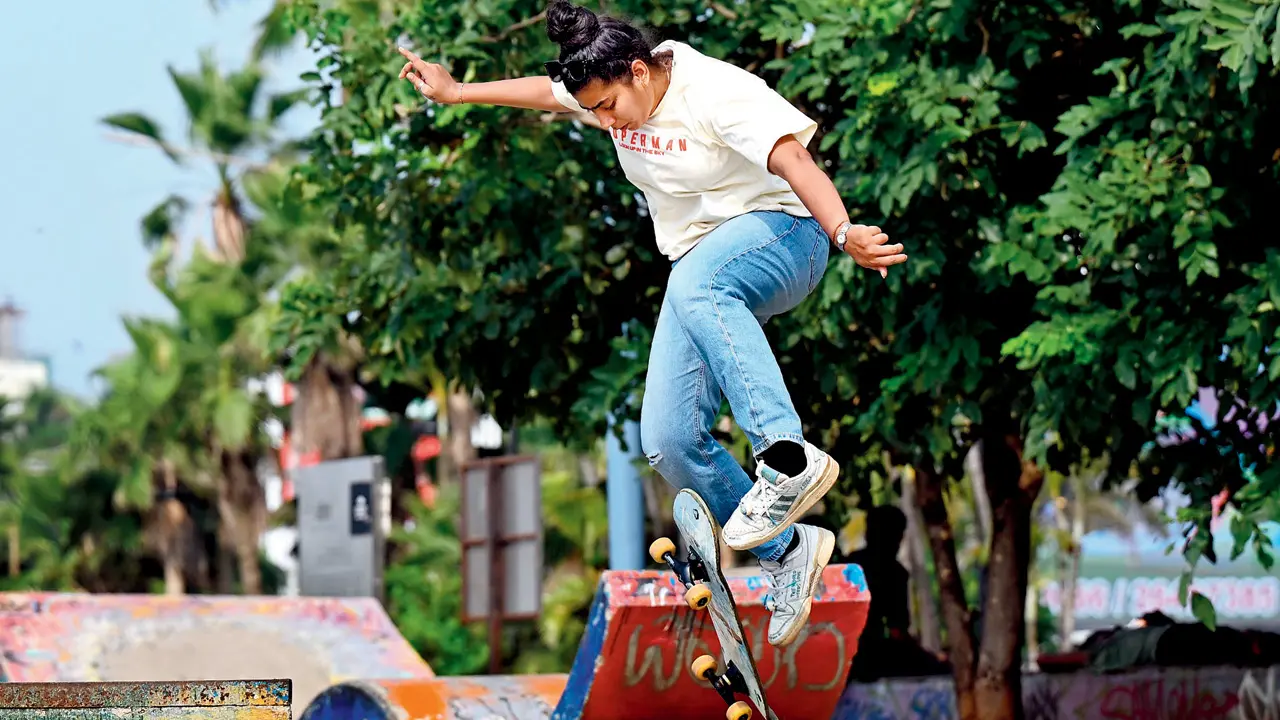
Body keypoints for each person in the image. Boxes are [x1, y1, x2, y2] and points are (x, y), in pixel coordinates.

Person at [396, 0, 907, 647]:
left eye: (609, 105)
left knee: (700, 280)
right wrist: (457, 92)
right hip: (700, 272)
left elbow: (795, 163)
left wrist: (843, 231)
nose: (603, 120)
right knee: (667, 438)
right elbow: (544, 94)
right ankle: (788, 553)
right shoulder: (600, 90)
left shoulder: (712, 91)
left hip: (789, 234)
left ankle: (787, 457)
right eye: (594, 111)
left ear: (640, 71)